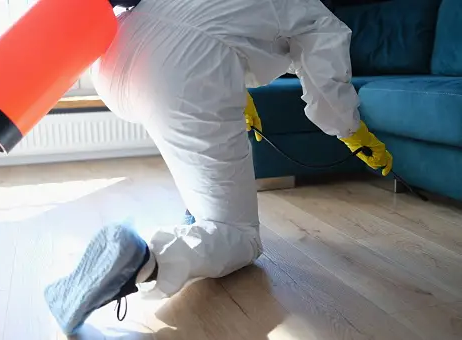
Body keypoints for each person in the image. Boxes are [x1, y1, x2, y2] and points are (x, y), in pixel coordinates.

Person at [44, 0, 393, 335]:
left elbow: (212, 24)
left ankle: (195, 213)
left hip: (116, 57)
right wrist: (351, 131)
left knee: (193, 151)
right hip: (179, 75)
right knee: (240, 235)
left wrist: (234, 89)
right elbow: (325, 82)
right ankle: (144, 259)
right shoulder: (310, 8)